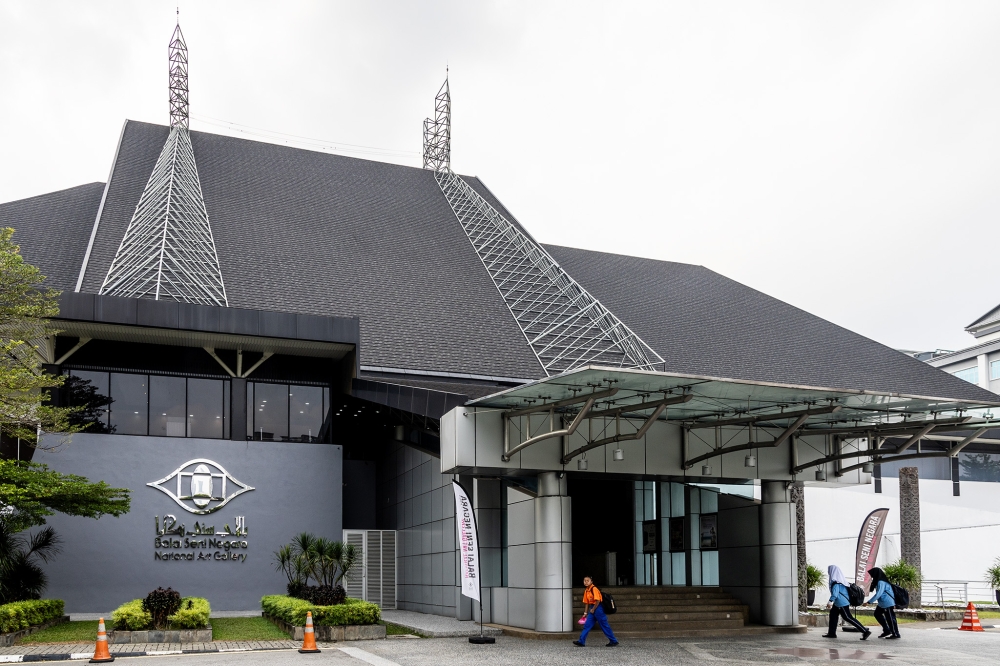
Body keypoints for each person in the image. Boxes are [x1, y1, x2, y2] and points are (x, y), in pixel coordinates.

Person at [822, 565, 870, 640]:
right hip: (838, 603)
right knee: (833, 616)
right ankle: (831, 633)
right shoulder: (842, 581)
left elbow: (835, 594)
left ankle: (864, 631)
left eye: (829, 570)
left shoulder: (836, 583)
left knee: (848, 617)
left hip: (841, 603)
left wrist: (829, 602)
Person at [573, 575, 619, 647]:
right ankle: (581, 641)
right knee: (587, 625)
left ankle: (613, 640)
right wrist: (585, 613)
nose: (586, 582)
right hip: (593, 608)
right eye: (585, 581)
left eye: (588, 580)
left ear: (591, 581)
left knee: (604, 625)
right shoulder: (586, 590)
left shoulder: (594, 589)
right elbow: (586, 603)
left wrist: (593, 609)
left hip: (598, 608)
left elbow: (597, 600)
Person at [864, 567, 900, 639]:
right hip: (882, 603)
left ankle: (895, 633)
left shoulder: (881, 582)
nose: (872, 576)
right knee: (877, 614)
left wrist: (869, 602)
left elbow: (879, 594)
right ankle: (887, 630)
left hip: (887, 603)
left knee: (890, 618)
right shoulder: (879, 581)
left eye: (872, 575)